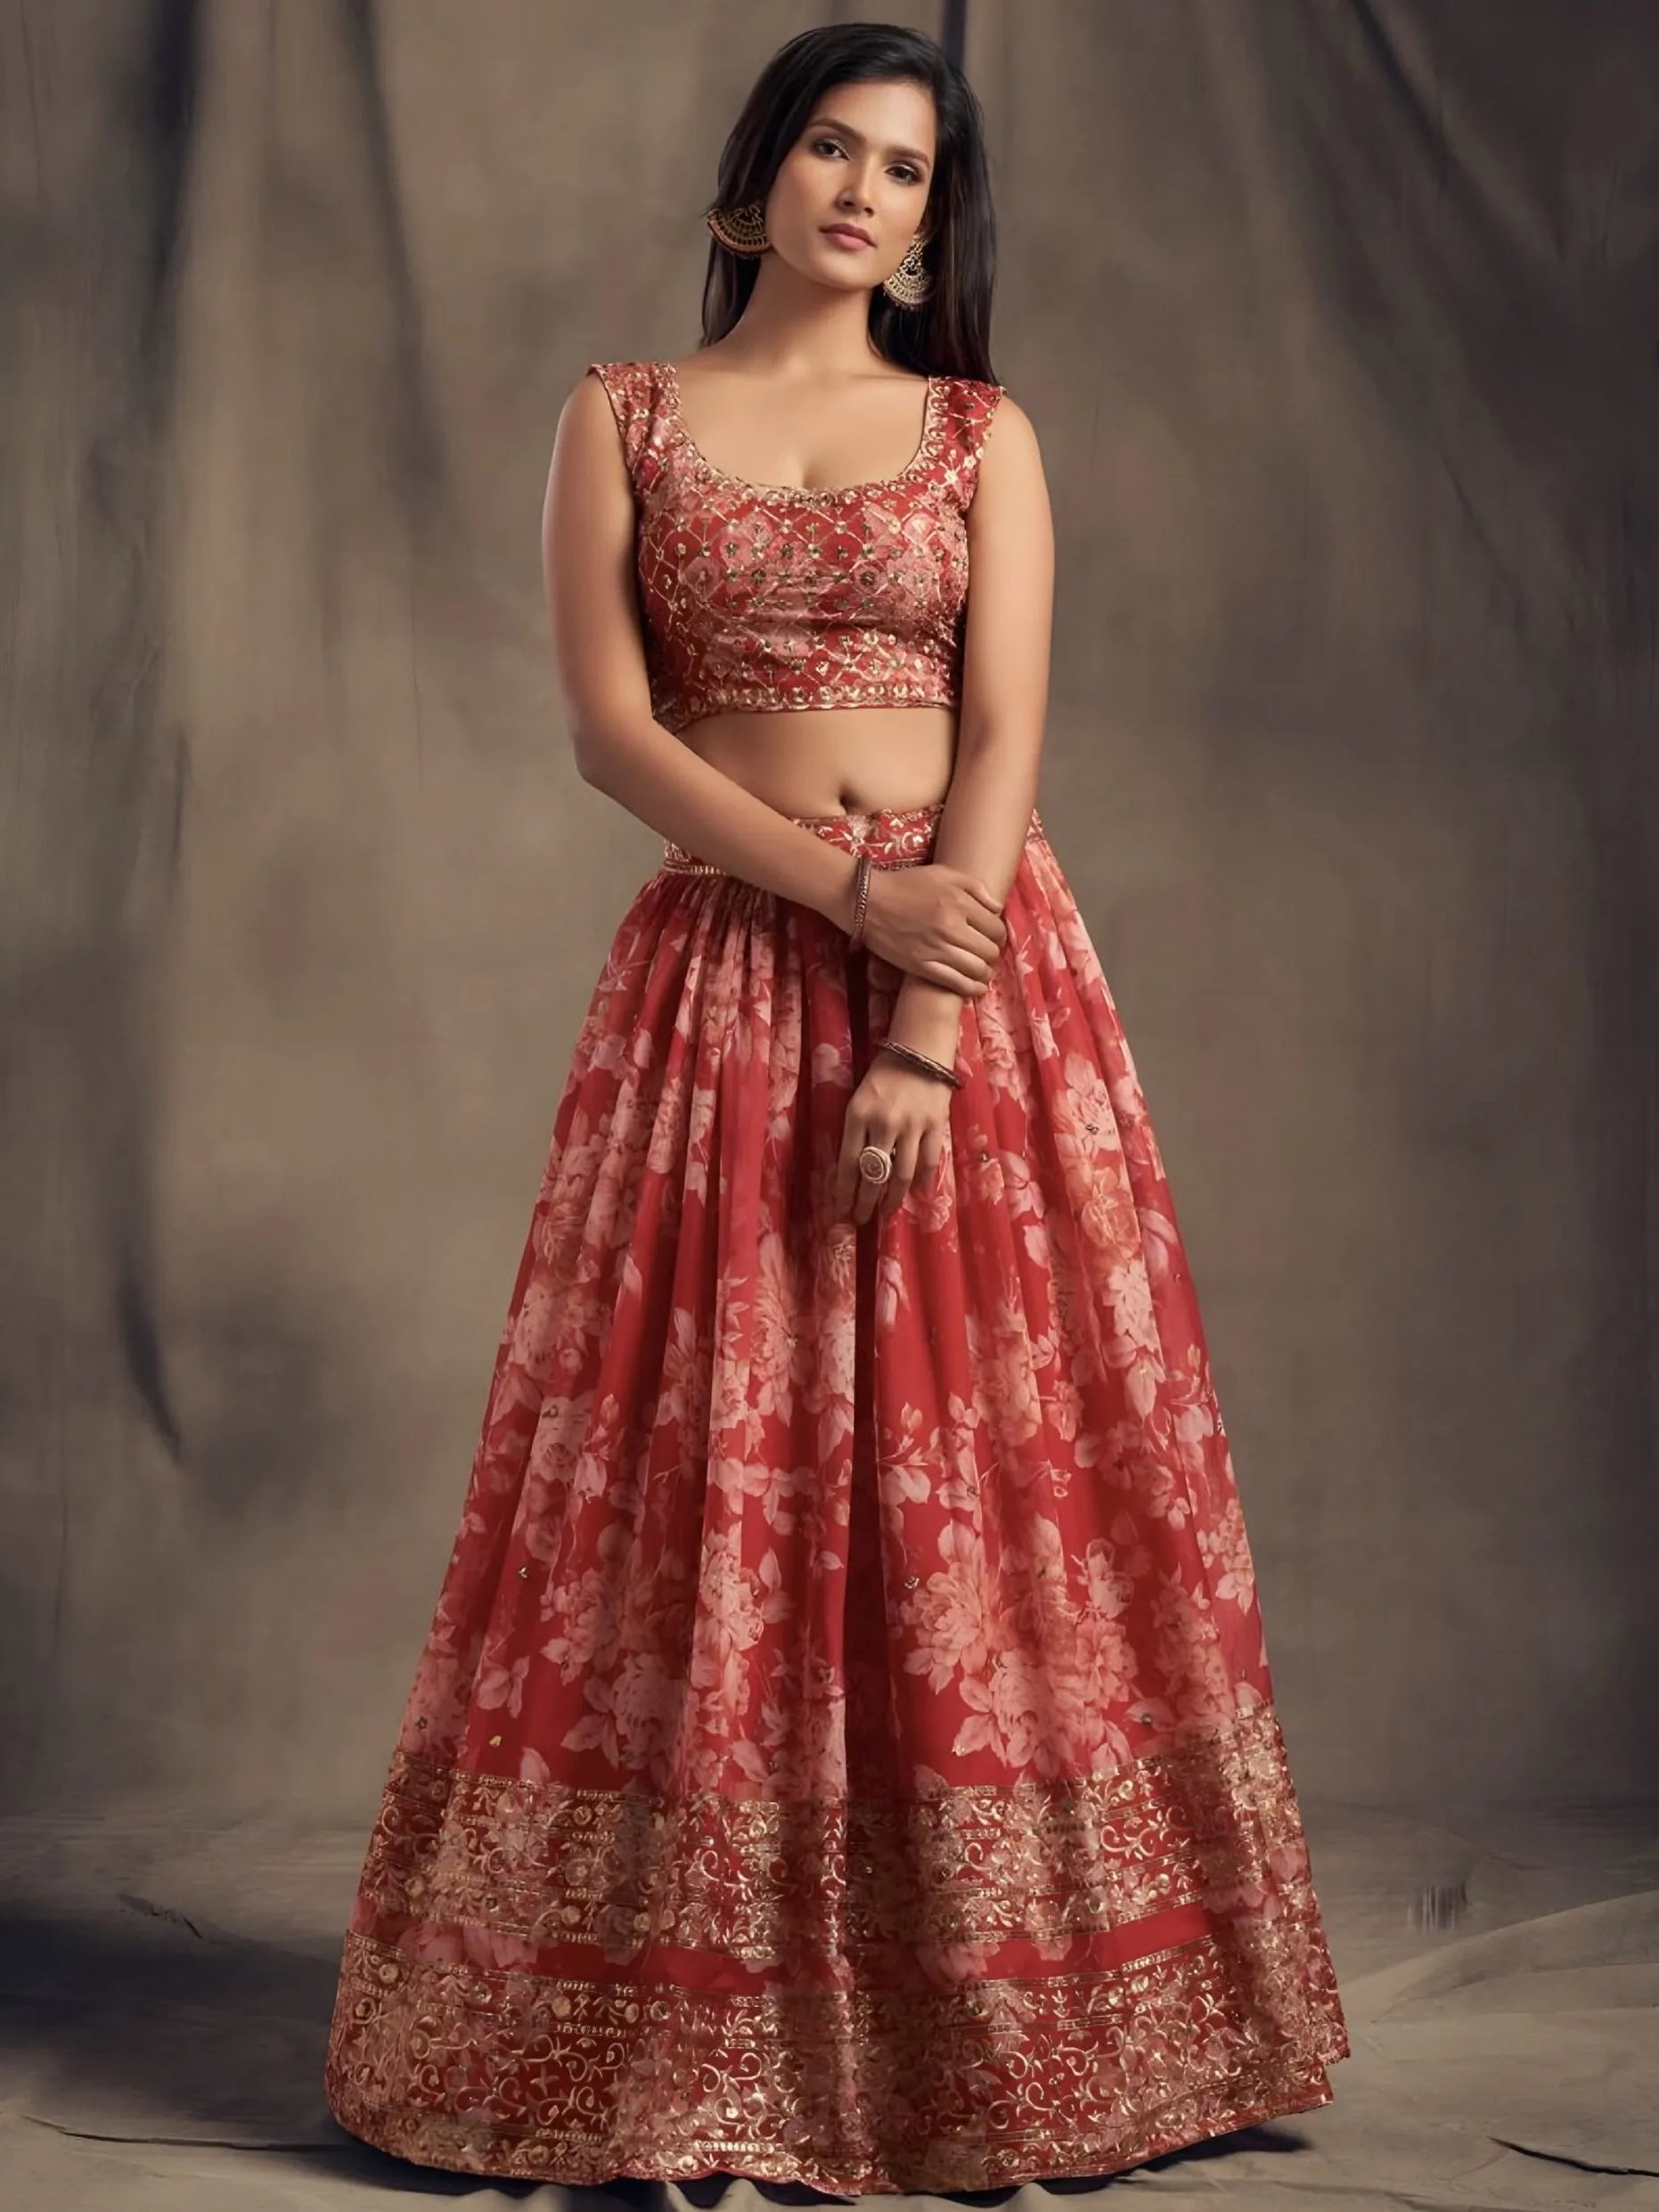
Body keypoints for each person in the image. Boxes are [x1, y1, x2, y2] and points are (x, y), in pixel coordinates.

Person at [323, 20, 1349, 2195]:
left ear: (930, 217)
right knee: (715, 1470)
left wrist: (920, 1023)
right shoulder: (620, 418)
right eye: (830, 147)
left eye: (907, 166)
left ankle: (1004, 2018)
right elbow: (611, 731)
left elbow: (1005, 732)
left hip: (974, 994)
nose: (868, 191)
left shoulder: (984, 432)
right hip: (722, 984)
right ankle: (696, 2022)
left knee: (985, 1476)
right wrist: (840, 898)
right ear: (752, 183)